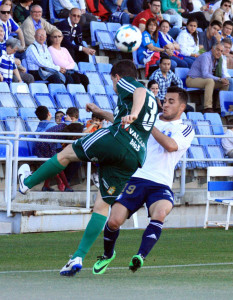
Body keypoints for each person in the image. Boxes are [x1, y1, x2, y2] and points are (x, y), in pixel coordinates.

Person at [18, 59, 158, 276]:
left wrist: (135, 113)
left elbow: (139, 91)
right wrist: (100, 111)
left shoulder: (126, 83)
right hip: (134, 156)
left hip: (118, 139)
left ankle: (26, 183)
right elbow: (123, 116)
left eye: (113, 82)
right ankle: (78, 257)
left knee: (66, 154)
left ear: (116, 77)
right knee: (102, 205)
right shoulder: (153, 103)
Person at [92, 86, 195, 274]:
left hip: (160, 184)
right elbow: (119, 119)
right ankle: (107, 255)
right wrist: (99, 112)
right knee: (114, 221)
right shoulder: (151, 119)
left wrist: (148, 126)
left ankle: (140, 256)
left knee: (161, 213)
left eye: (171, 102)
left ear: (182, 107)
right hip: (135, 178)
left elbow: (171, 146)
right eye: (164, 101)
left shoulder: (185, 128)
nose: (165, 105)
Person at [186, 42, 229, 113]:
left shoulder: (218, 59)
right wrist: (219, 79)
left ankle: (219, 107)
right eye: (218, 50)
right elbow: (205, 74)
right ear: (212, 49)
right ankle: (207, 108)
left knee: (225, 83)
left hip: (204, 80)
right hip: (192, 79)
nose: (219, 53)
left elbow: (222, 73)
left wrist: (224, 79)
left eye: (221, 51)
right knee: (210, 81)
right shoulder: (206, 56)